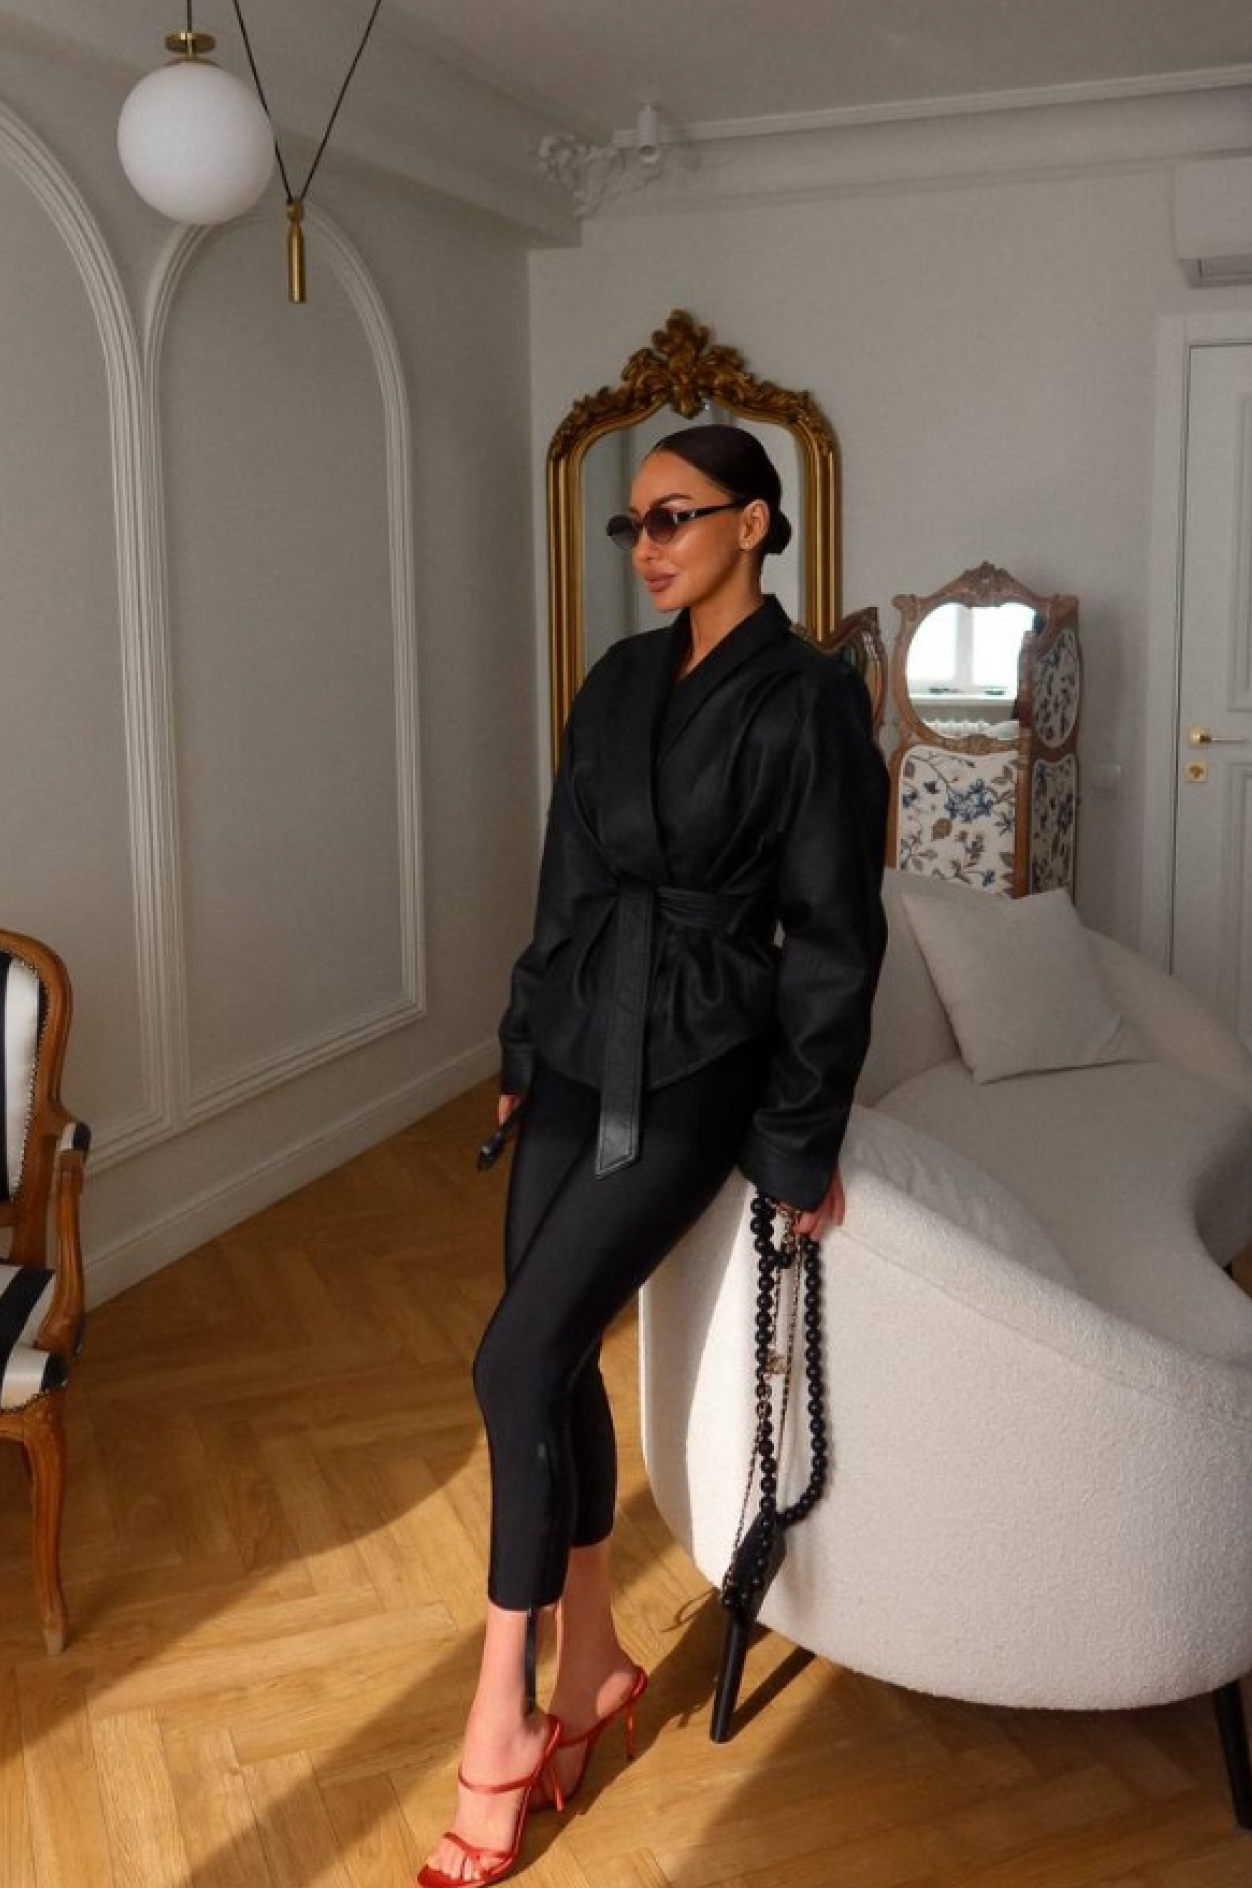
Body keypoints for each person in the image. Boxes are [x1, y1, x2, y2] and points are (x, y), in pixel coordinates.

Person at [418, 422, 888, 1888]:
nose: (647, 547)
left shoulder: (810, 699)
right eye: (633, 525)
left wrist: (798, 1138)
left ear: (754, 522)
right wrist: (521, 1047)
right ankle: (595, 1663)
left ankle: (499, 1721)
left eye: (675, 516)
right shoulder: (618, 679)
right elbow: (565, 878)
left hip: (696, 1059)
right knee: (549, 1356)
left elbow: (835, 934)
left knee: (509, 1362)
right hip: (579, 1036)